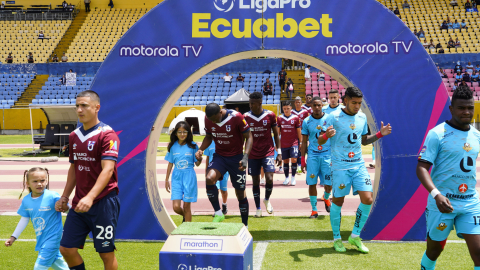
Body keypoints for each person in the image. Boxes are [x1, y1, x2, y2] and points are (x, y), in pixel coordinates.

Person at [318, 86, 392, 253]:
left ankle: (355, 236)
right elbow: (320, 140)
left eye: (359, 103)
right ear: (345, 101)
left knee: (368, 199)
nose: (357, 106)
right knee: (338, 201)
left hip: (358, 165)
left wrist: (380, 134)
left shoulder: (362, 117)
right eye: (354, 103)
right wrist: (325, 136)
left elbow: (364, 140)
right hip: (339, 167)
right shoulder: (333, 117)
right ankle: (337, 238)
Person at [55, 90, 121, 270]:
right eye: (77, 106)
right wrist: (65, 197)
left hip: (103, 202)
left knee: (106, 253)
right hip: (79, 203)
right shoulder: (74, 135)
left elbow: (108, 170)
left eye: (84, 105)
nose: (79, 109)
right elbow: (74, 168)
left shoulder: (108, 135)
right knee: (66, 249)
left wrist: (90, 197)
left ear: (96, 107)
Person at [417, 86, 480, 270]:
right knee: (434, 250)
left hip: (470, 202)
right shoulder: (437, 134)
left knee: (478, 253)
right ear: (452, 109)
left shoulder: (477, 136)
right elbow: (421, 167)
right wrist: (436, 194)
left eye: (470, 107)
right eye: (461, 108)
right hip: (442, 203)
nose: (466, 112)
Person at [195, 103, 253, 226]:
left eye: (215, 119)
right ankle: (218, 213)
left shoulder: (237, 117)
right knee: (209, 178)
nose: (213, 122)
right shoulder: (208, 118)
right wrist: (201, 149)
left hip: (236, 158)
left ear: (220, 112)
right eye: (211, 120)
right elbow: (209, 136)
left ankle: (245, 225)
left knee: (240, 193)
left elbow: (249, 136)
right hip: (220, 156)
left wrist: (245, 157)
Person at [5, 167, 70, 270]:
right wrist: (13, 237)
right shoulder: (26, 200)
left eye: (42, 180)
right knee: (58, 264)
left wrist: (65, 208)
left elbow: (68, 210)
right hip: (42, 238)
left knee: (39, 267)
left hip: (54, 237)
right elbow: (24, 219)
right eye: (35, 181)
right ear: (27, 183)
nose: (39, 184)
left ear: (46, 181)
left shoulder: (52, 196)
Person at [244, 92, 282, 217]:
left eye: (252, 103)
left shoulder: (270, 115)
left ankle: (266, 199)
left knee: (270, 178)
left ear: (260, 102)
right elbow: (243, 137)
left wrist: (279, 152)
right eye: (249, 103)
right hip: (253, 153)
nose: (250, 105)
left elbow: (276, 135)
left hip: (268, 151)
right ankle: (258, 208)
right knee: (255, 182)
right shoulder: (246, 117)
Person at [301, 96, 333, 217]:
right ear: (311, 106)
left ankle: (326, 197)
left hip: (327, 155)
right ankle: (314, 210)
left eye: (319, 105)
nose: (317, 107)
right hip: (313, 156)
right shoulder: (306, 121)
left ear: (322, 106)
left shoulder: (329, 119)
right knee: (312, 183)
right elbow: (304, 142)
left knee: (329, 184)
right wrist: (302, 159)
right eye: (314, 105)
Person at [165, 121, 202, 223]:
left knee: (186, 206)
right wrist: (166, 179)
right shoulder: (172, 146)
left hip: (189, 177)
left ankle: (188, 231)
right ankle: (187, 216)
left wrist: (200, 158)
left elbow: (198, 164)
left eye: (185, 132)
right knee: (176, 207)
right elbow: (170, 164)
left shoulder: (193, 146)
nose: (182, 134)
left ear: (188, 133)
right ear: (176, 133)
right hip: (176, 177)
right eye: (180, 132)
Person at [278, 101, 302, 186]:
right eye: (284, 109)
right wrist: (277, 144)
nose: (286, 110)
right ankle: (286, 177)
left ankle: (293, 177)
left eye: (288, 108)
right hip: (284, 143)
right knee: (286, 161)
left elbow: (299, 131)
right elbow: (278, 133)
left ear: (291, 108)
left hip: (294, 143)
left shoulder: (296, 118)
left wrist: (301, 142)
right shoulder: (280, 118)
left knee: (294, 159)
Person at [204, 141, 229, 216]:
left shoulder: (224, 141)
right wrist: (206, 170)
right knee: (215, 189)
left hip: (224, 169)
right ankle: (217, 210)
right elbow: (208, 157)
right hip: (212, 170)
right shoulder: (209, 143)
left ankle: (224, 205)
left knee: (223, 190)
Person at [292, 96, 310, 174]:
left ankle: (302, 164)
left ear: (301, 103)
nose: (298, 104)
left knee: (303, 149)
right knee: (296, 149)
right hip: (294, 134)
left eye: (299, 102)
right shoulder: (292, 112)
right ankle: (298, 165)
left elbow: (308, 122)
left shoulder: (305, 112)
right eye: (296, 102)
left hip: (304, 134)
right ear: (294, 103)